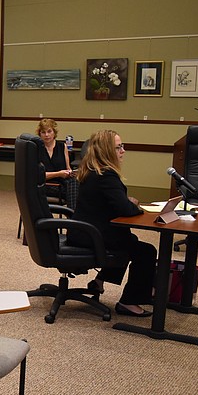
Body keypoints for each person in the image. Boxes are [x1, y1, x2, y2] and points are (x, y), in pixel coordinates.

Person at [67, 130, 157, 317]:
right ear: (108, 150)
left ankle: (99, 280)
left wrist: (124, 201)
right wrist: (134, 204)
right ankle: (129, 302)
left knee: (127, 239)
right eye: (119, 147)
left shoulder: (92, 169)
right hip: (91, 235)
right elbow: (125, 209)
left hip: (82, 232)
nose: (123, 151)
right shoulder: (106, 175)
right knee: (146, 251)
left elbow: (109, 202)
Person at [36, 118, 79, 209]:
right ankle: (73, 218)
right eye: (43, 132)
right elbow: (38, 176)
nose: (46, 135)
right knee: (76, 191)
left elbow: (68, 168)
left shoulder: (63, 146)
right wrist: (59, 174)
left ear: (54, 132)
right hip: (44, 185)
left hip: (63, 184)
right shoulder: (36, 149)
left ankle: (73, 216)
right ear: (40, 134)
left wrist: (70, 172)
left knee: (76, 182)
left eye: (49, 131)